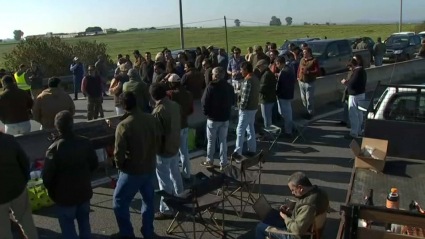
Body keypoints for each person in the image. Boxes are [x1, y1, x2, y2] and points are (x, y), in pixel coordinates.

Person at [112, 91, 162, 239]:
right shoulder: (151, 118)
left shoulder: (123, 125)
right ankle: (148, 231)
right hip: (150, 166)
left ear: (123, 106)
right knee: (148, 201)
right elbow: (158, 140)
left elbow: (118, 153)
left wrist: (120, 166)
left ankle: (126, 233)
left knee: (119, 202)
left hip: (132, 170)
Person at [42, 111, 98, 239]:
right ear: (72, 125)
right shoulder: (84, 142)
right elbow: (94, 164)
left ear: (57, 127)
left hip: (65, 197)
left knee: (68, 227)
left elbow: (47, 177)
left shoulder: (54, 149)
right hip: (83, 191)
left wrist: (54, 192)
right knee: (84, 223)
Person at [255, 172, 329, 239]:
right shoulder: (320, 193)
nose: (292, 193)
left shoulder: (308, 206)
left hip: (297, 236)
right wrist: (292, 209)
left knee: (260, 227)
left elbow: (297, 230)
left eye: (293, 190)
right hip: (308, 227)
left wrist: (285, 218)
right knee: (271, 217)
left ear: (300, 188)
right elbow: (306, 213)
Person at [150, 83, 184, 220]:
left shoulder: (158, 111)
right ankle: (181, 197)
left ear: (153, 97)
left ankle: (166, 209)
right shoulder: (175, 105)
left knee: (163, 180)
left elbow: (156, 134)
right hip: (175, 145)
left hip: (163, 149)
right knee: (175, 173)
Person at [0, 131, 38, 239]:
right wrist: (23, 181)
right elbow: (24, 161)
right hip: (17, 188)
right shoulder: (8, 139)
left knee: (3, 231)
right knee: (26, 221)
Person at [200, 67, 235, 170]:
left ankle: (210, 160)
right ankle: (223, 163)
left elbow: (204, 101)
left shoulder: (211, 86)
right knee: (223, 140)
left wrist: (206, 113)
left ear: (214, 75)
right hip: (224, 117)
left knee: (211, 141)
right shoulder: (229, 87)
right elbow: (233, 101)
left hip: (213, 118)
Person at [166, 74, 194, 181]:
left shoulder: (170, 94)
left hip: (174, 128)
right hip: (185, 125)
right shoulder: (188, 94)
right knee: (184, 152)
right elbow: (191, 110)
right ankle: (187, 174)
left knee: (174, 154)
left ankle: (175, 176)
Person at [231, 62, 260, 162]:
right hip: (254, 107)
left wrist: (240, 107)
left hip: (247, 109)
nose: (240, 71)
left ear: (246, 70)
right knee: (250, 128)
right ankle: (252, 149)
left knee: (240, 130)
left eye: (241, 70)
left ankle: (237, 152)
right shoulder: (255, 78)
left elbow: (244, 99)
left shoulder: (247, 81)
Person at [341, 58, 367, 139]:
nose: (349, 69)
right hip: (361, 94)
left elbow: (352, 83)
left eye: (350, 67)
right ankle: (359, 130)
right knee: (359, 114)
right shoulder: (362, 71)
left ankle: (354, 133)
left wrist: (345, 82)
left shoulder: (357, 72)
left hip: (354, 95)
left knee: (353, 115)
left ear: (352, 65)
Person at [276, 56, 296, 137]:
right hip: (288, 95)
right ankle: (292, 128)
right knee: (287, 113)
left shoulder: (284, 72)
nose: (277, 66)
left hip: (284, 95)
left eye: (277, 64)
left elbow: (281, 85)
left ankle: (288, 131)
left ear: (280, 63)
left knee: (286, 114)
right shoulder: (289, 69)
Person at [297, 47, 320, 120]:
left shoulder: (314, 61)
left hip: (310, 82)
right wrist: (298, 76)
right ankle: (306, 111)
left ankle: (310, 112)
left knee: (309, 98)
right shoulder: (302, 60)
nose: (304, 54)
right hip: (301, 82)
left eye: (305, 53)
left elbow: (317, 71)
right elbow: (299, 69)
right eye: (303, 53)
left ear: (309, 53)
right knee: (303, 99)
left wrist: (309, 72)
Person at [257, 60, 277, 128]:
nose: (259, 69)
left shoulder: (265, 75)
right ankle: (270, 133)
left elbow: (263, 88)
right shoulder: (268, 73)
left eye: (259, 67)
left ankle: (268, 134)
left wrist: (255, 90)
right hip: (270, 98)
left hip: (266, 99)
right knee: (268, 117)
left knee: (266, 118)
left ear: (264, 66)